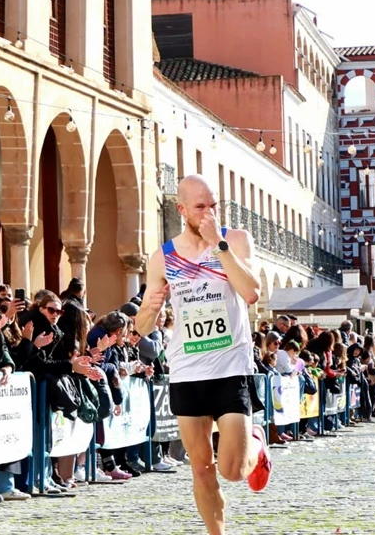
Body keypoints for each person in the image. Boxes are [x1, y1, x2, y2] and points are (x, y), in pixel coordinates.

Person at [134, 174, 269, 535]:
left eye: (213, 205)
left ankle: (256, 446)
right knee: (201, 468)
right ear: (181, 209)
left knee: (232, 470)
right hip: (187, 370)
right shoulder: (163, 257)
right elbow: (142, 326)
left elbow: (251, 293)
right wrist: (151, 308)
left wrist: (219, 245)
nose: (208, 213)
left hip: (230, 366)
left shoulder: (235, 240)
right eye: (199, 207)